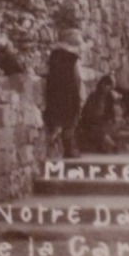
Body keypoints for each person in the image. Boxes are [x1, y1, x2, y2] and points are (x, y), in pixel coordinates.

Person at [42, 28, 83, 159]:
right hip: (69, 91)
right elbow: (78, 77)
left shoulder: (53, 55)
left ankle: (54, 144)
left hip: (54, 90)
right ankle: (68, 149)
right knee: (70, 119)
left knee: (57, 119)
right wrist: (81, 93)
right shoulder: (74, 58)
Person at [78, 74, 120, 154]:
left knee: (104, 128)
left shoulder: (109, 97)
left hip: (104, 121)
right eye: (107, 86)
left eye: (110, 87)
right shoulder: (93, 96)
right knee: (97, 129)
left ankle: (105, 146)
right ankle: (112, 145)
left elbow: (111, 112)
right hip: (91, 122)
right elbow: (87, 112)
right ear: (102, 84)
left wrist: (110, 120)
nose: (108, 89)